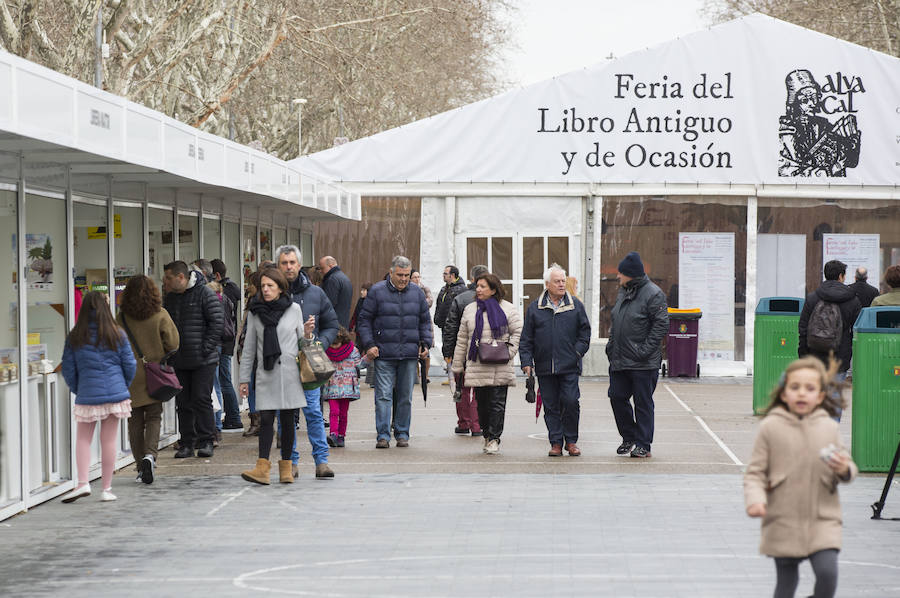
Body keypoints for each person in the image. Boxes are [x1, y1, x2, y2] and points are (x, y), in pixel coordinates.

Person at [744, 357, 857, 598]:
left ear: (820, 396)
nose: (802, 394)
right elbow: (755, 472)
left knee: (827, 575)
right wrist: (755, 499)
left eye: (810, 388)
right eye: (795, 388)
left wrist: (843, 468)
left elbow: (847, 467)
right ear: (784, 394)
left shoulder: (829, 428)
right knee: (786, 584)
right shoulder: (771, 428)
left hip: (823, 519)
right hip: (783, 520)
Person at [60, 291, 137, 503]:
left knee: (83, 439)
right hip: (115, 393)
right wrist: (122, 385)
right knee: (109, 440)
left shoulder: (75, 336)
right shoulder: (117, 333)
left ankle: (83, 483)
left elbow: (68, 368)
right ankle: (106, 488)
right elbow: (130, 365)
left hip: (87, 393)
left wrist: (80, 388)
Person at [238, 267, 311, 485]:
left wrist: (307, 334)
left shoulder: (294, 309)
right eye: (263, 286)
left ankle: (286, 468)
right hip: (266, 373)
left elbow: (302, 343)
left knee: (288, 421)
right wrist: (243, 379)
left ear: (280, 287)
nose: (266, 290)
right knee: (266, 419)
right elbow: (249, 348)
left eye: (270, 286)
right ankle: (262, 467)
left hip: (289, 374)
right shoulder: (255, 311)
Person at [277, 244, 339, 478]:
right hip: (283, 363)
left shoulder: (315, 293)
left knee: (313, 412)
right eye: (284, 263)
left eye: (292, 262)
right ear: (278, 265)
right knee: (286, 416)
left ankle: (321, 461)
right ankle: (290, 462)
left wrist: (318, 343)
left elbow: (332, 324)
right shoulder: (272, 293)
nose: (289, 267)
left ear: (299, 265)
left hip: (308, 365)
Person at [357, 255, 432, 449]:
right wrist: (369, 344)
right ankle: (383, 435)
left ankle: (402, 433)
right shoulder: (377, 291)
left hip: (408, 354)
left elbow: (425, 321)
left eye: (407, 275)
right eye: (400, 275)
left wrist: (426, 344)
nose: (404, 279)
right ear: (391, 272)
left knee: (405, 396)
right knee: (383, 396)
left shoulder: (417, 293)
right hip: (383, 353)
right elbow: (364, 320)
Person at [519, 264, 591, 457]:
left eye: (563, 281)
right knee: (550, 406)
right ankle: (556, 442)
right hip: (544, 367)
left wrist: (577, 352)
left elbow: (585, 333)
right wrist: (526, 361)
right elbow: (526, 338)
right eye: (557, 281)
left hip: (570, 365)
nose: (561, 284)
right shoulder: (535, 308)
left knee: (570, 401)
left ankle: (572, 441)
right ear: (547, 284)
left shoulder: (575, 305)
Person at [117, 275, 179, 485]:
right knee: (154, 416)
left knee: (134, 421)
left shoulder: (122, 317)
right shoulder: (160, 314)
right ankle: (150, 456)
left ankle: (139, 466)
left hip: (129, 375)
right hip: (154, 374)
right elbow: (173, 343)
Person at [451, 272, 522, 455]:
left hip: (500, 364)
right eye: (478, 286)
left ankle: (494, 438)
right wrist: (458, 366)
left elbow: (518, 332)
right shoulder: (470, 309)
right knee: (481, 405)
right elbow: (462, 339)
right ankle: (486, 432)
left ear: (493, 289)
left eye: (483, 286)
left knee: (497, 404)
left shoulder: (508, 309)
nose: (479, 289)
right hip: (478, 365)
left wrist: (509, 351)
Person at [606, 251, 668, 459]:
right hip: (620, 358)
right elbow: (616, 320)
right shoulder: (624, 291)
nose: (618, 276)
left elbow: (661, 325)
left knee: (643, 403)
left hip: (643, 362)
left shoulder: (653, 293)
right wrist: (611, 345)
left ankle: (643, 444)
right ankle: (629, 436)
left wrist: (644, 350)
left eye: (621, 273)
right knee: (616, 397)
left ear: (630, 274)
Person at [163, 260, 224, 459]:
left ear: (181, 277)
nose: (166, 282)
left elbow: (217, 323)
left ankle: (206, 439)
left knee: (201, 398)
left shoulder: (204, 293)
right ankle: (186, 442)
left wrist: (205, 349)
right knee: (183, 402)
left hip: (203, 360)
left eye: (169, 278)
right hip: (179, 359)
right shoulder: (171, 298)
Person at [442, 264, 489, 436]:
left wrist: (448, 351)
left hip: (460, 350)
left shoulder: (460, 298)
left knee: (461, 388)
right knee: (478, 389)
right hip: (483, 350)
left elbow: (450, 326)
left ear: (471, 278)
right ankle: (477, 425)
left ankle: (463, 423)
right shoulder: (491, 298)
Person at [798, 260, 861, 378]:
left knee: (815, 393)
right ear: (840, 276)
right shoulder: (852, 300)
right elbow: (856, 330)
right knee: (834, 395)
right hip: (839, 357)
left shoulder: (812, 297)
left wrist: (803, 354)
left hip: (815, 356)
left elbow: (803, 328)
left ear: (826, 275)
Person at [211, 258, 243, 432]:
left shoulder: (224, 292)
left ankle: (232, 417)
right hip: (228, 339)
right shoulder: (233, 289)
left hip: (223, 340)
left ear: (216, 275)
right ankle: (232, 416)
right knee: (224, 379)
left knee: (222, 380)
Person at [323, 327, 363, 448]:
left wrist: (368, 358)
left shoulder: (353, 351)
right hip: (333, 387)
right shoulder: (326, 352)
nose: (334, 347)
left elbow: (359, 364)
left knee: (343, 414)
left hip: (346, 388)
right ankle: (334, 434)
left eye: (337, 344)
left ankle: (341, 436)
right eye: (332, 344)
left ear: (343, 340)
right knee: (334, 412)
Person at [319, 255, 354, 328]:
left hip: (333, 325)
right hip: (343, 323)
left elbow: (328, 304)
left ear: (330, 266)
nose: (320, 271)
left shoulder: (332, 280)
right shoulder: (345, 278)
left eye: (322, 268)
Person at [433, 265, 466, 330]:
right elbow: (439, 305)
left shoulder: (462, 290)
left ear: (452, 275)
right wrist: (437, 319)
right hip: (443, 326)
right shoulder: (444, 289)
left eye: (445, 274)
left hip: (454, 328)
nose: (443, 275)